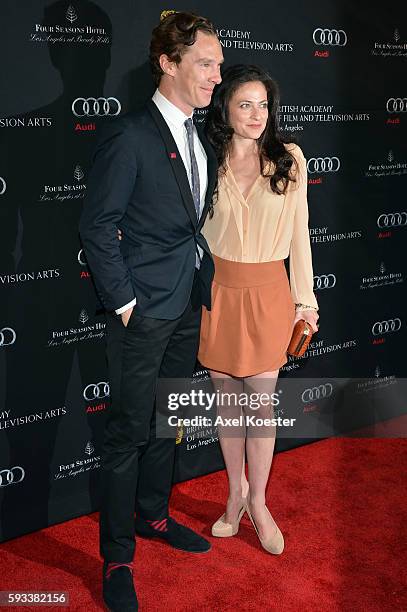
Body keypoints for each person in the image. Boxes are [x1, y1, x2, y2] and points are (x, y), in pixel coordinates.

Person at [79, 12, 223, 612]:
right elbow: (97, 225)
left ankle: (154, 515)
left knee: (169, 421)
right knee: (128, 434)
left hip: (188, 301)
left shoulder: (200, 133)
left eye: (218, 64)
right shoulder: (131, 134)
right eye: (205, 64)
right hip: (144, 312)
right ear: (168, 63)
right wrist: (127, 303)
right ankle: (116, 557)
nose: (217, 76)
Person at [198, 64, 319, 555]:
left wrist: (304, 303)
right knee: (229, 407)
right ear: (225, 107)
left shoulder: (290, 159)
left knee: (261, 408)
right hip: (219, 293)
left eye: (263, 105)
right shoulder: (205, 161)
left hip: (270, 292)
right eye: (245, 104)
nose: (255, 115)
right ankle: (234, 497)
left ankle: (260, 502)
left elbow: (300, 238)